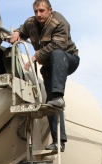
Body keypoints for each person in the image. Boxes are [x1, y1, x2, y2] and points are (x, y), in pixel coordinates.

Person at [10, 0, 80, 152]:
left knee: (57, 55)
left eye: (42, 11)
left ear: (50, 10)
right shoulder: (31, 23)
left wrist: (35, 57)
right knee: (51, 102)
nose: (38, 14)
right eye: (36, 11)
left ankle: (59, 96)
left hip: (68, 59)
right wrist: (17, 32)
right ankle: (58, 141)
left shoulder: (59, 22)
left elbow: (58, 46)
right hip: (49, 65)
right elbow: (22, 30)